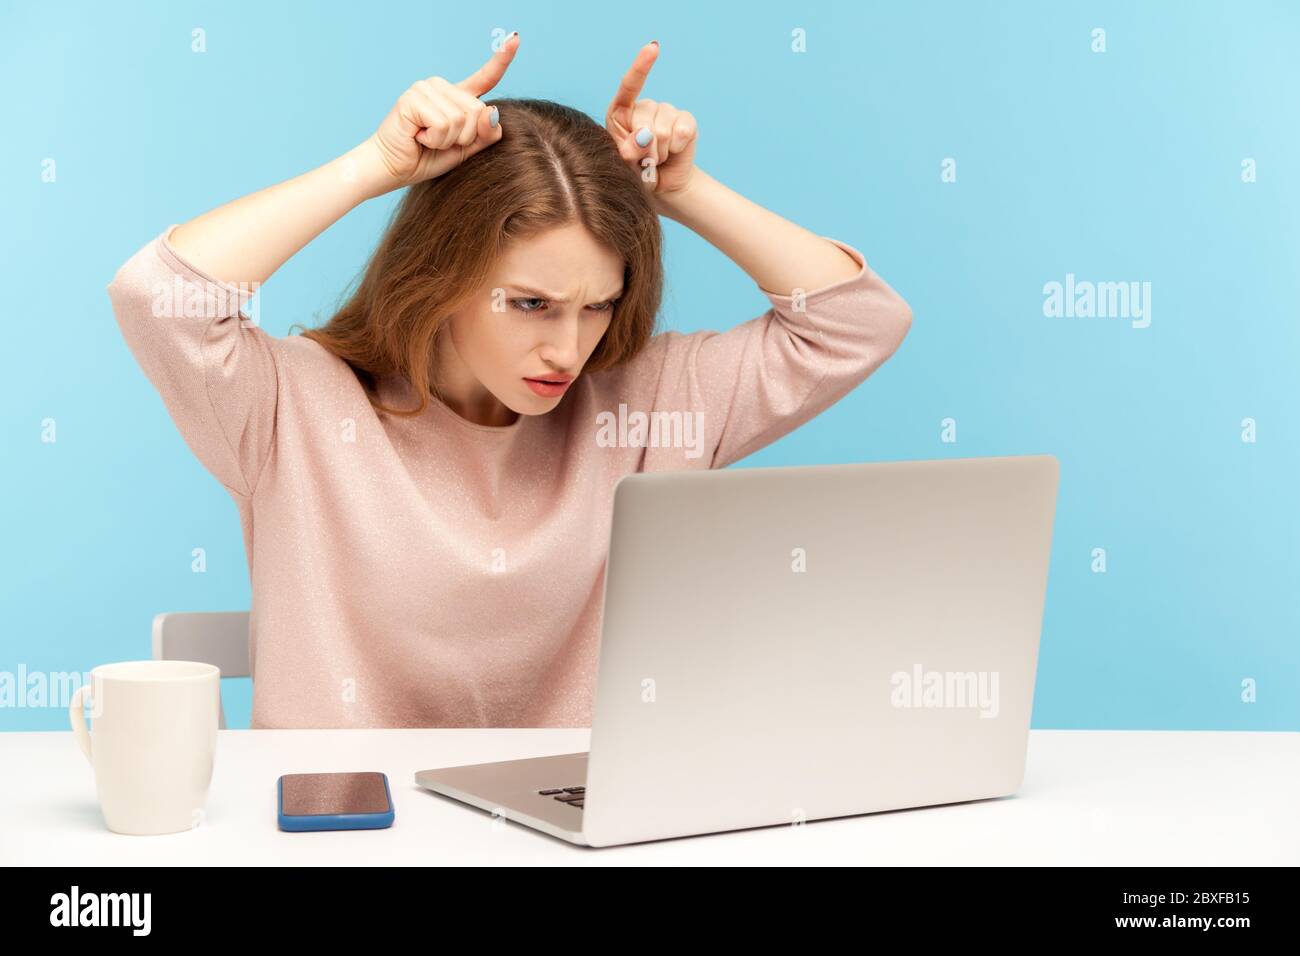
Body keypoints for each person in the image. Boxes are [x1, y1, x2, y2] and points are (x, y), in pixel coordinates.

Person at [106, 36, 913, 728]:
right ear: (442, 275)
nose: (569, 349)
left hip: (570, 835)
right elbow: (157, 296)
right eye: (531, 303)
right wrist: (374, 166)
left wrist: (686, 192)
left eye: (598, 305)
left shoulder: (653, 406)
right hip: (351, 838)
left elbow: (857, 322)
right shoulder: (293, 409)